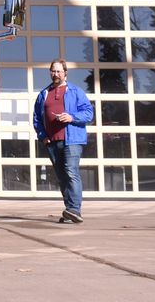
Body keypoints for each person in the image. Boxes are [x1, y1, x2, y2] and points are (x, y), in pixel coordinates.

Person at [33, 59, 94, 224]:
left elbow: (89, 113)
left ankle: (75, 209)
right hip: (52, 142)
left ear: (65, 73)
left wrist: (72, 117)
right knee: (61, 177)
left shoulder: (76, 91)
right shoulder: (43, 94)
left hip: (72, 140)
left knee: (71, 171)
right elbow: (37, 119)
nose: (56, 74)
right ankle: (70, 211)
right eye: (53, 71)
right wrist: (43, 136)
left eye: (59, 71)